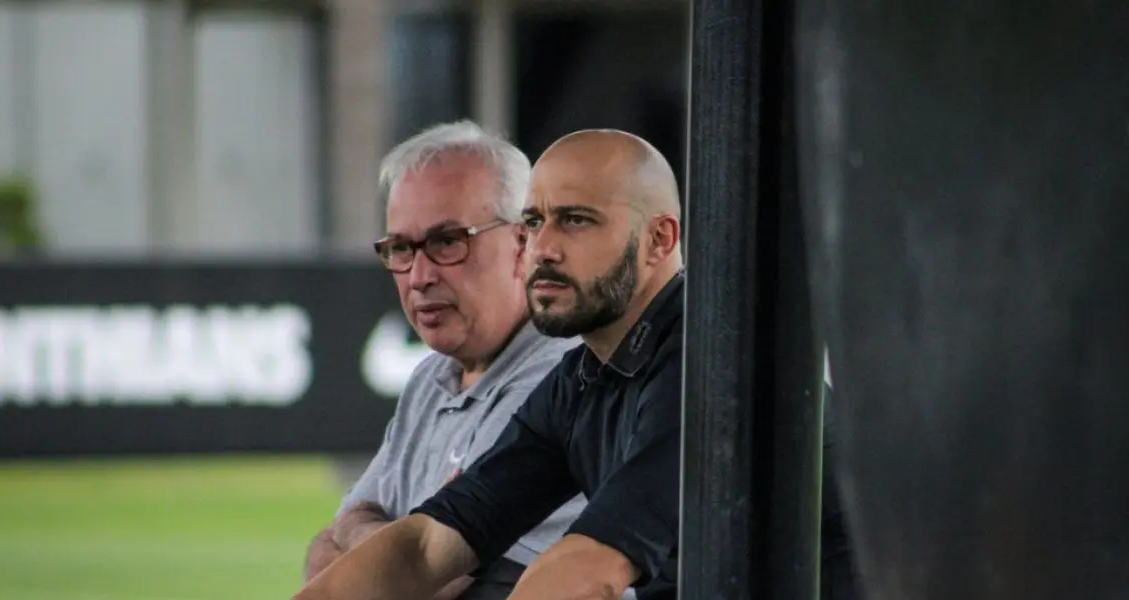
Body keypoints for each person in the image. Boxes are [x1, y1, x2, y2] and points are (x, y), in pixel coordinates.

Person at [293, 129, 857, 600]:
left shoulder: (711, 365)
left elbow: (588, 572)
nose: (542, 249)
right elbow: (426, 546)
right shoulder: (583, 378)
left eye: (576, 221)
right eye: (534, 222)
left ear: (659, 239)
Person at [301, 120, 583, 600]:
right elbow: (327, 548)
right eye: (401, 249)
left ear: (524, 245)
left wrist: (381, 554)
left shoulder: (562, 377)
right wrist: (384, 551)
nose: (419, 276)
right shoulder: (431, 378)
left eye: (447, 241)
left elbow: (432, 579)